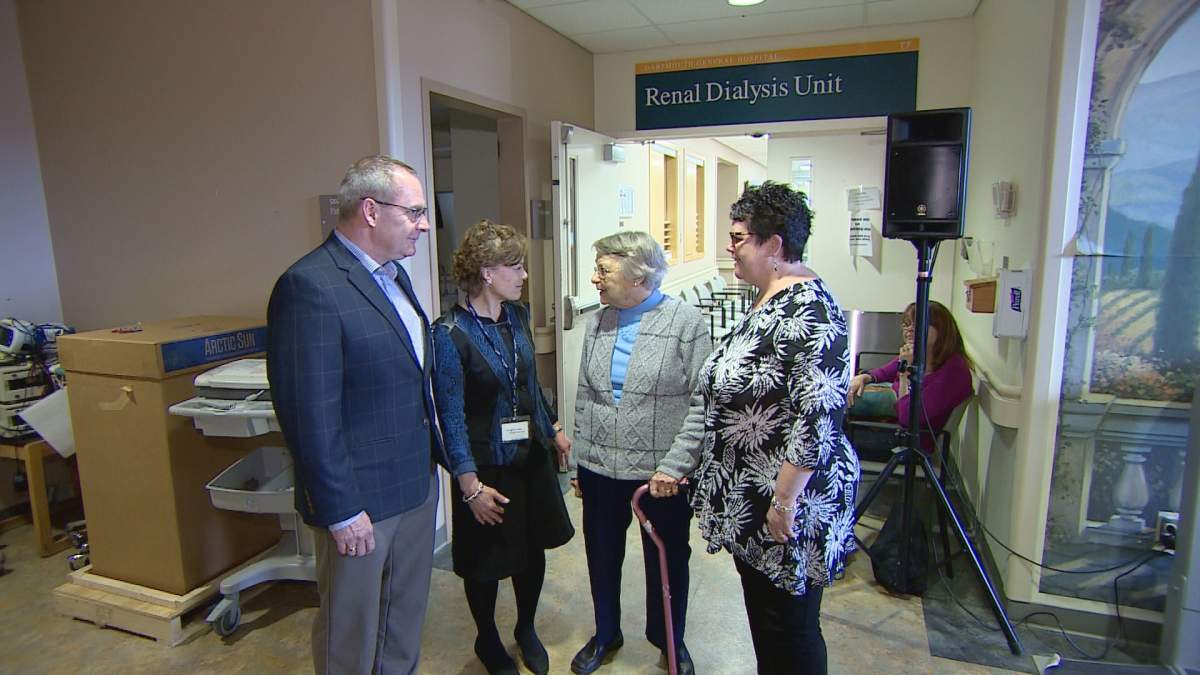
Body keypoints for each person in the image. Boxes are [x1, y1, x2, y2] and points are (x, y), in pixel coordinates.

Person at [267, 155, 446, 674]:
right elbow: (307, 414)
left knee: (403, 617)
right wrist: (340, 509)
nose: (425, 224)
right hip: (360, 500)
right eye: (414, 212)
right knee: (352, 629)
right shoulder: (310, 287)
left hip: (414, 482)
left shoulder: (395, 277)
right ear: (371, 210)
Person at [690, 181, 860, 675]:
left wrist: (784, 502)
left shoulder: (811, 309)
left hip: (787, 507)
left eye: (739, 237)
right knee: (770, 625)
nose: (730, 246)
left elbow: (818, 416)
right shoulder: (769, 299)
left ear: (775, 245)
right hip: (755, 498)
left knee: (790, 630)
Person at [432, 220, 574, 675]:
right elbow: (450, 415)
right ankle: (487, 636)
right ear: (487, 273)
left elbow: (529, 383)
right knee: (486, 563)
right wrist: (469, 485)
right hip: (483, 469)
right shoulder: (449, 332)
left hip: (528, 458)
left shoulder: (517, 316)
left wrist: (552, 430)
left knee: (530, 553)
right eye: (516, 267)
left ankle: (525, 628)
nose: (524, 275)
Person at [569, 231, 711, 675]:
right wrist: (581, 463)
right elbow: (587, 397)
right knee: (601, 555)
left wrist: (676, 465)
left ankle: (670, 637)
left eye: (604, 271)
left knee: (668, 559)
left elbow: (703, 403)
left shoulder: (686, 324)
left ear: (638, 274)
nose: (595, 279)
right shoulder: (598, 321)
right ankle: (606, 632)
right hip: (600, 470)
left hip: (661, 475)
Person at [846, 300, 973, 452]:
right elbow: (885, 371)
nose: (909, 330)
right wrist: (863, 377)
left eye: (917, 324)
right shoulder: (922, 353)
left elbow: (907, 418)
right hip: (888, 425)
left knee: (832, 427)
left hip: (908, 442)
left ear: (941, 329)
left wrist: (904, 376)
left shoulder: (954, 371)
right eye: (906, 324)